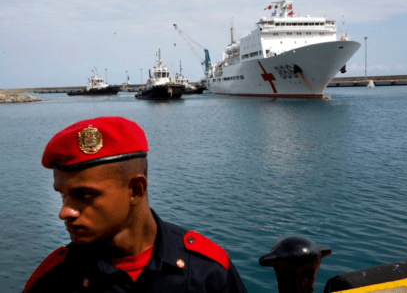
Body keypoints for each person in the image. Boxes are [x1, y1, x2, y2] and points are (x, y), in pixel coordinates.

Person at [24, 116, 248, 293]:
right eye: (63, 195)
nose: (65, 212)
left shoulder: (207, 273)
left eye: (84, 195)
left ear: (135, 190)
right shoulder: (53, 282)